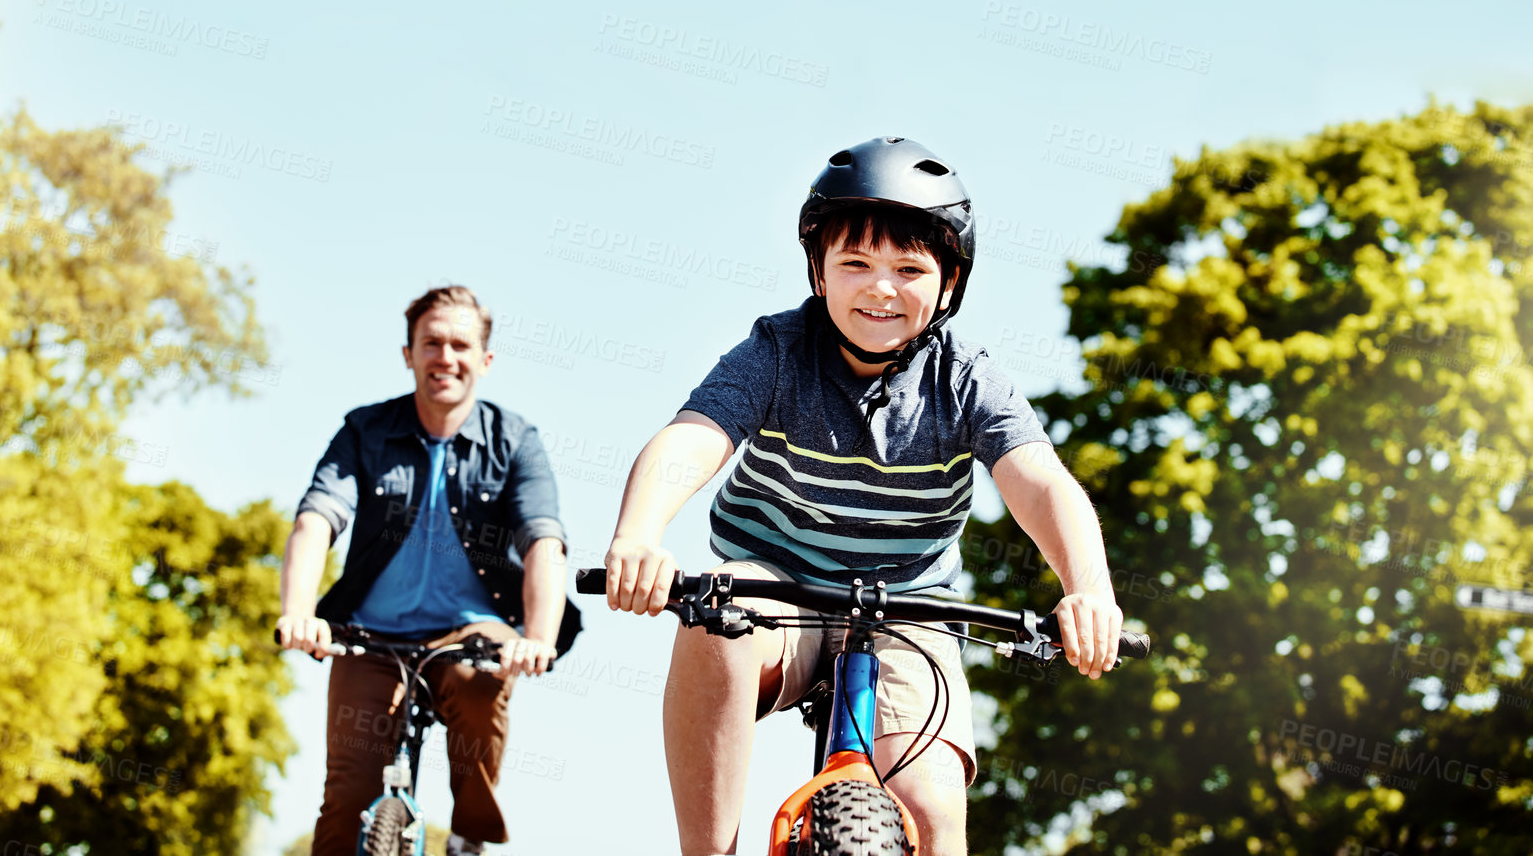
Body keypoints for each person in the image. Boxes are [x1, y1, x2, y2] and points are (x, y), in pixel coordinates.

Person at [601, 137, 1126, 856]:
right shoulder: (776, 352)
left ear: (948, 285)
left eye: (908, 269)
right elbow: (691, 438)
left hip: (910, 607)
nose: (881, 288)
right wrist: (638, 533)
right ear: (818, 273)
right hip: (780, 593)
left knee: (933, 809)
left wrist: (1087, 588)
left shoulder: (967, 380)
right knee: (712, 617)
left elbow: (1037, 480)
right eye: (855, 264)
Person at [277, 286, 580, 856]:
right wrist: (298, 613)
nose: (446, 357)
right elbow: (317, 518)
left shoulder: (515, 441)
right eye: (431, 343)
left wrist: (537, 638)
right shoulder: (364, 432)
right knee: (346, 799)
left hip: (473, 630)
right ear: (408, 354)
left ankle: (468, 835)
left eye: (461, 345)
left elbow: (543, 539)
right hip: (368, 636)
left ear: (485, 361)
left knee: (477, 684)